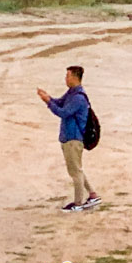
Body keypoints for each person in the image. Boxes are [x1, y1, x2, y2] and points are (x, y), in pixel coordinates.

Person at [37, 65, 101, 212]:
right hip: (70, 138)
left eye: (68, 76)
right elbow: (59, 103)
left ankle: (78, 203)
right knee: (76, 170)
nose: (66, 78)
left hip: (73, 138)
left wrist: (48, 101)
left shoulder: (78, 97)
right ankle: (92, 195)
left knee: (75, 172)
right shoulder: (73, 93)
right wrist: (48, 98)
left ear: (75, 77)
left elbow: (63, 112)